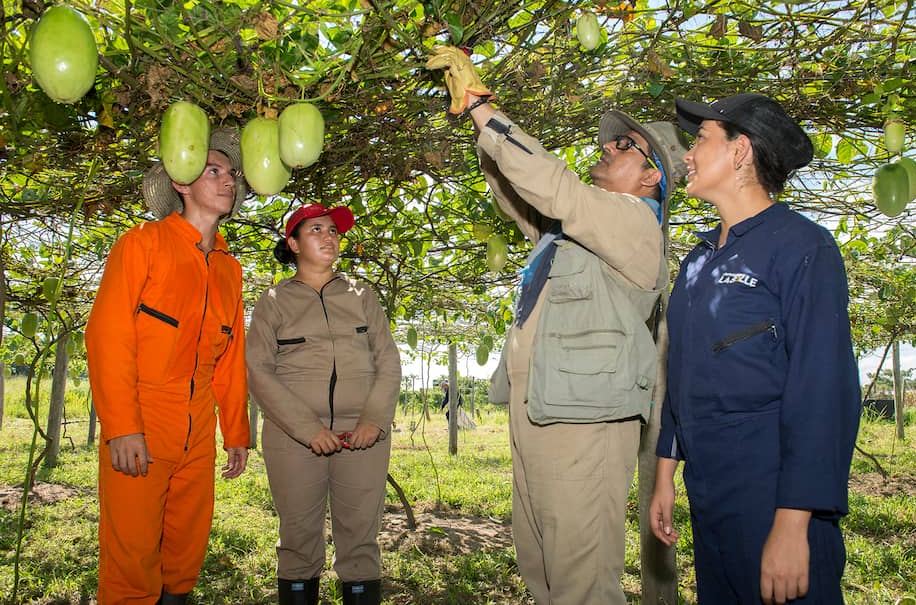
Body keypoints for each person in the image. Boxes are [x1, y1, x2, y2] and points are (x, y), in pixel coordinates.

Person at [426, 46, 688, 605]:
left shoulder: (635, 225)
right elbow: (522, 194)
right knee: (543, 566)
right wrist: (483, 133)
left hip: (583, 424)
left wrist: (482, 106)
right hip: (545, 409)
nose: (609, 147)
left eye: (627, 146)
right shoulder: (578, 233)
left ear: (651, 178)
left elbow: (556, 189)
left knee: (581, 582)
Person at [649, 93, 862, 604]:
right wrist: (665, 477)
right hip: (711, 495)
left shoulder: (802, 247)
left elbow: (823, 391)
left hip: (774, 495)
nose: (687, 155)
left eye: (700, 140)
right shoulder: (698, 262)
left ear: (740, 151)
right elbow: (682, 376)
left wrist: (792, 525)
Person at [85, 128, 251, 604]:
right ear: (181, 182)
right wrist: (122, 426)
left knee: (185, 551)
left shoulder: (228, 268)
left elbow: (231, 356)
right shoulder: (143, 245)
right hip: (143, 419)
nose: (228, 181)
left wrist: (235, 431)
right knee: (131, 556)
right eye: (213, 171)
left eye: (232, 174)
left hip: (198, 429)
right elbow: (108, 336)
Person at [246, 203, 401, 605]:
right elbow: (259, 372)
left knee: (361, 537)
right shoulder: (274, 301)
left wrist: (374, 420)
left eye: (332, 230)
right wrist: (308, 429)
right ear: (293, 243)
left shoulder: (362, 295)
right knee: (298, 537)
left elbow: (388, 361)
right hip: (292, 437)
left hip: (363, 437)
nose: (329, 237)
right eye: (315, 230)